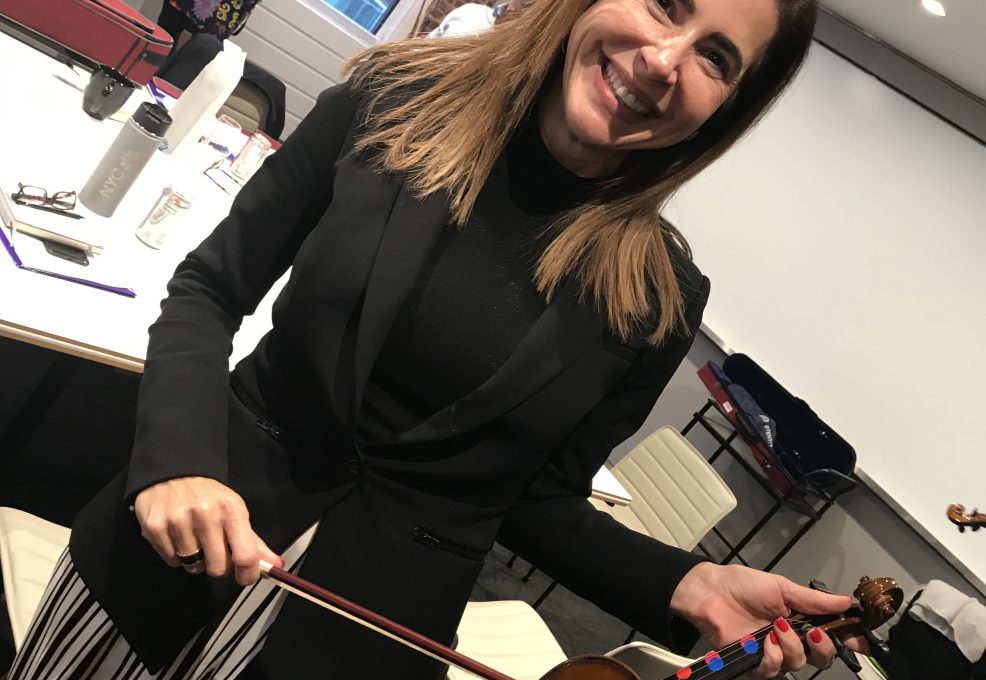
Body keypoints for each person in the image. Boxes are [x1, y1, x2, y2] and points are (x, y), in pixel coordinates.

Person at [8, 0, 864, 678]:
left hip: (358, 649)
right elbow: (209, 290)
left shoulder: (660, 301)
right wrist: (177, 457)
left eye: (717, 58)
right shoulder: (388, 101)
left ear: (728, 110)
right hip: (169, 552)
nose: (665, 61)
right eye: (665, 3)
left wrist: (688, 583)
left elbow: (534, 503)